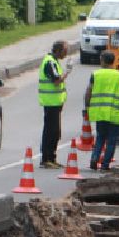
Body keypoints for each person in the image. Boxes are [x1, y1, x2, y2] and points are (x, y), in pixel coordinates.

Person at [84, 49, 119, 171]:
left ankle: (94, 158)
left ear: (103, 61)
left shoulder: (96, 74)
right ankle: (105, 165)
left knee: (100, 138)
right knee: (112, 141)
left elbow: (88, 92)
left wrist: (87, 107)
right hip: (115, 113)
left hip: (100, 112)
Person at [37, 40, 70, 168]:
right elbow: (56, 81)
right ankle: (46, 159)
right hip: (50, 103)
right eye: (64, 51)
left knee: (55, 132)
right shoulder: (49, 62)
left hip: (55, 103)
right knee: (51, 131)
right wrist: (66, 73)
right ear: (58, 50)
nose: (66, 54)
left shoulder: (54, 61)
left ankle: (51, 157)